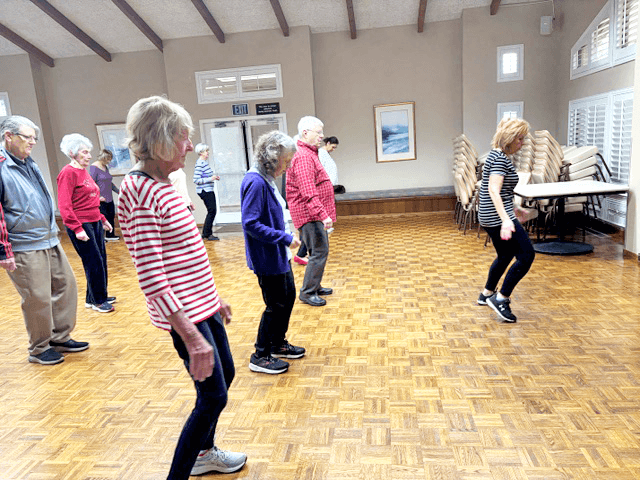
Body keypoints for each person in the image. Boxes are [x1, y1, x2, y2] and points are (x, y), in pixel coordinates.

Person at [118, 95, 246, 479]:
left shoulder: (164, 183)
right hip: (183, 314)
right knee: (213, 396)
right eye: (183, 138)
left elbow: (184, 254)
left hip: (200, 303)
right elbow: (152, 276)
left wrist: (214, 296)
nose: (190, 147)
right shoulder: (139, 191)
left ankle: (205, 452)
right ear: (159, 140)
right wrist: (190, 336)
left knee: (227, 372)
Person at [0, 115, 88, 365]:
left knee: (65, 286)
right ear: (9, 136)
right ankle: (39, 348)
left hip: (48, 238)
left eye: (34, 138)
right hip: (23, 244)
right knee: (37, 297)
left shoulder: (28, 161)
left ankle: (60, 337)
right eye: (28, 137)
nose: (33, 142)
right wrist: (3, 249)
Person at [241, 131, 305, 375]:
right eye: (286, 161)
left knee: (287, 297)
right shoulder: (255, 181)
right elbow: (250, 223)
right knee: (275, 304)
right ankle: (260, 355)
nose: (287, 167)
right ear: (272, 157)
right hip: (267, 256)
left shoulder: (265, 178)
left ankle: (278, 343)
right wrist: (284, 238)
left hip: (279, 254)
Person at [477, 117, 535, 323]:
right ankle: (501, 298)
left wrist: (515, 208)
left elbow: (500, 190)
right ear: (509, 138)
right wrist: (506, 220)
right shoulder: (500, 159)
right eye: (519, 139)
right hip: (496, 216)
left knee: (505, 255)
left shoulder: (495, 155)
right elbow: (493, 190)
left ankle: (486, 294)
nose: (522, 143)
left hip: (489, 214)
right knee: (526, 255)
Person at [58, 134, 115, 314]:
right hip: (81, 224)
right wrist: (77, 228)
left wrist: (103, 219)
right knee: (93, 262)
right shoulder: (68, 173)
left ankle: (95, 297)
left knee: (100, 260)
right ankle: (98, 301)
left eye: (89, 152)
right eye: (84, 152)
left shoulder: (84, 171)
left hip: (94, 221)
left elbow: (91, 200)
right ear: (72, 153)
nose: (89, 156)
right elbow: (64, 205)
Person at [286, 116, 336, 307]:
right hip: (310, 214)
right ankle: (307, 292)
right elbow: (308, 192)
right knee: (319, 251)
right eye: (319, 132)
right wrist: (323, 214)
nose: (322, 136)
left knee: (318, 250)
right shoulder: (304, 156)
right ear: (305, 133)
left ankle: (314, 286)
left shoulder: (308, 153)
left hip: (311, 213)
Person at [293, 135, 341, 266]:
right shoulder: (314, 155)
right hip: (314, 201)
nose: (333, 149)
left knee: (313, 239)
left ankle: (302, 255)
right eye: (333, 146)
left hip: (322, 198)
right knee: (313, 237)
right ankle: (301, 255)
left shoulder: (321, 154)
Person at [90, 149, 120, 241]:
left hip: (109, 197)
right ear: (104, 158)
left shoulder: (105, 167)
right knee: (102, 218)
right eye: (108, 159)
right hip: (100, 199)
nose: (109, 161)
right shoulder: (94, 167)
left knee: (111, 216)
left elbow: (109, 183)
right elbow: (91, 184)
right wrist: (97, 198)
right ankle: (101, 238)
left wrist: (119, 192)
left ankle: (110, 235)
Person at [193, 143, 220, 240]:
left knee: (212, 211)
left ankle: (206, 233)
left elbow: (206, 177)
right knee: (212, 211)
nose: (207, 153)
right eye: (205, 151)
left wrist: (214, 178)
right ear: (201, 153)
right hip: (205, 191)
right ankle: (207, 234)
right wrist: (210, 179)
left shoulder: (204, 163)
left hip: (207, 190)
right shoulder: (200, 163)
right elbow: (196, 180)